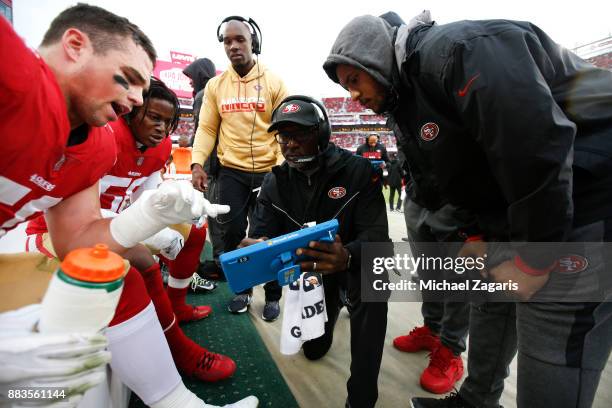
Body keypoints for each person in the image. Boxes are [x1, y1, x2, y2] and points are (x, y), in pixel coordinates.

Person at [324, 10, 612, 408]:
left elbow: (533, 143)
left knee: (551, 332)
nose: (352, 95)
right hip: (543, 195)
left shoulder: (456, 51)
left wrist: (533, 260)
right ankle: (476, 400)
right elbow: (458, 176)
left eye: (354, 80)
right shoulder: (405, 99)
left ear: (374, 58)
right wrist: (477, 235)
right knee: (490, 295)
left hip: (592, 187)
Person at [0, 5, 255, 408]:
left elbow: (79, 240)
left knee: (119, 277)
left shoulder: (94, 143)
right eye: (131, 81)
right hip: (34, 239)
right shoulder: (11, 71)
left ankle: (179, 398)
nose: (136, 99)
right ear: (75, 46)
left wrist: (148, 216)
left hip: (84, 231)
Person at [240, 95, 389, 408]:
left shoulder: (359, 170)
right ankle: (334, 303)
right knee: (313, 349)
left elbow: (379, 240)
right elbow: (262, 234)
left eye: (300, 135)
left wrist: (347, 256)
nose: (290, 144)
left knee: (374, 281)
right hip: (311, 276)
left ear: (321, 134)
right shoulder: (274, 182)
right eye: (284, 137)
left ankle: (362, 400)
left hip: (352, 266)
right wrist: (257, 248)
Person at [191, 16, 288, 321]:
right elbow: (206, 129)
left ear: (253, 42)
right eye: (227, 41)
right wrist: (196, 162)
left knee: (270, 237)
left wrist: (284, 171)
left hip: (269, 171)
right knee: (232, 235)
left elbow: (286, 129)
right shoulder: (215, 86)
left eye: (240, 39)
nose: (233, 46)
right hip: (231, 172)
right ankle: (242, 290)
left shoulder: (275, 82)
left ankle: (273, 295)